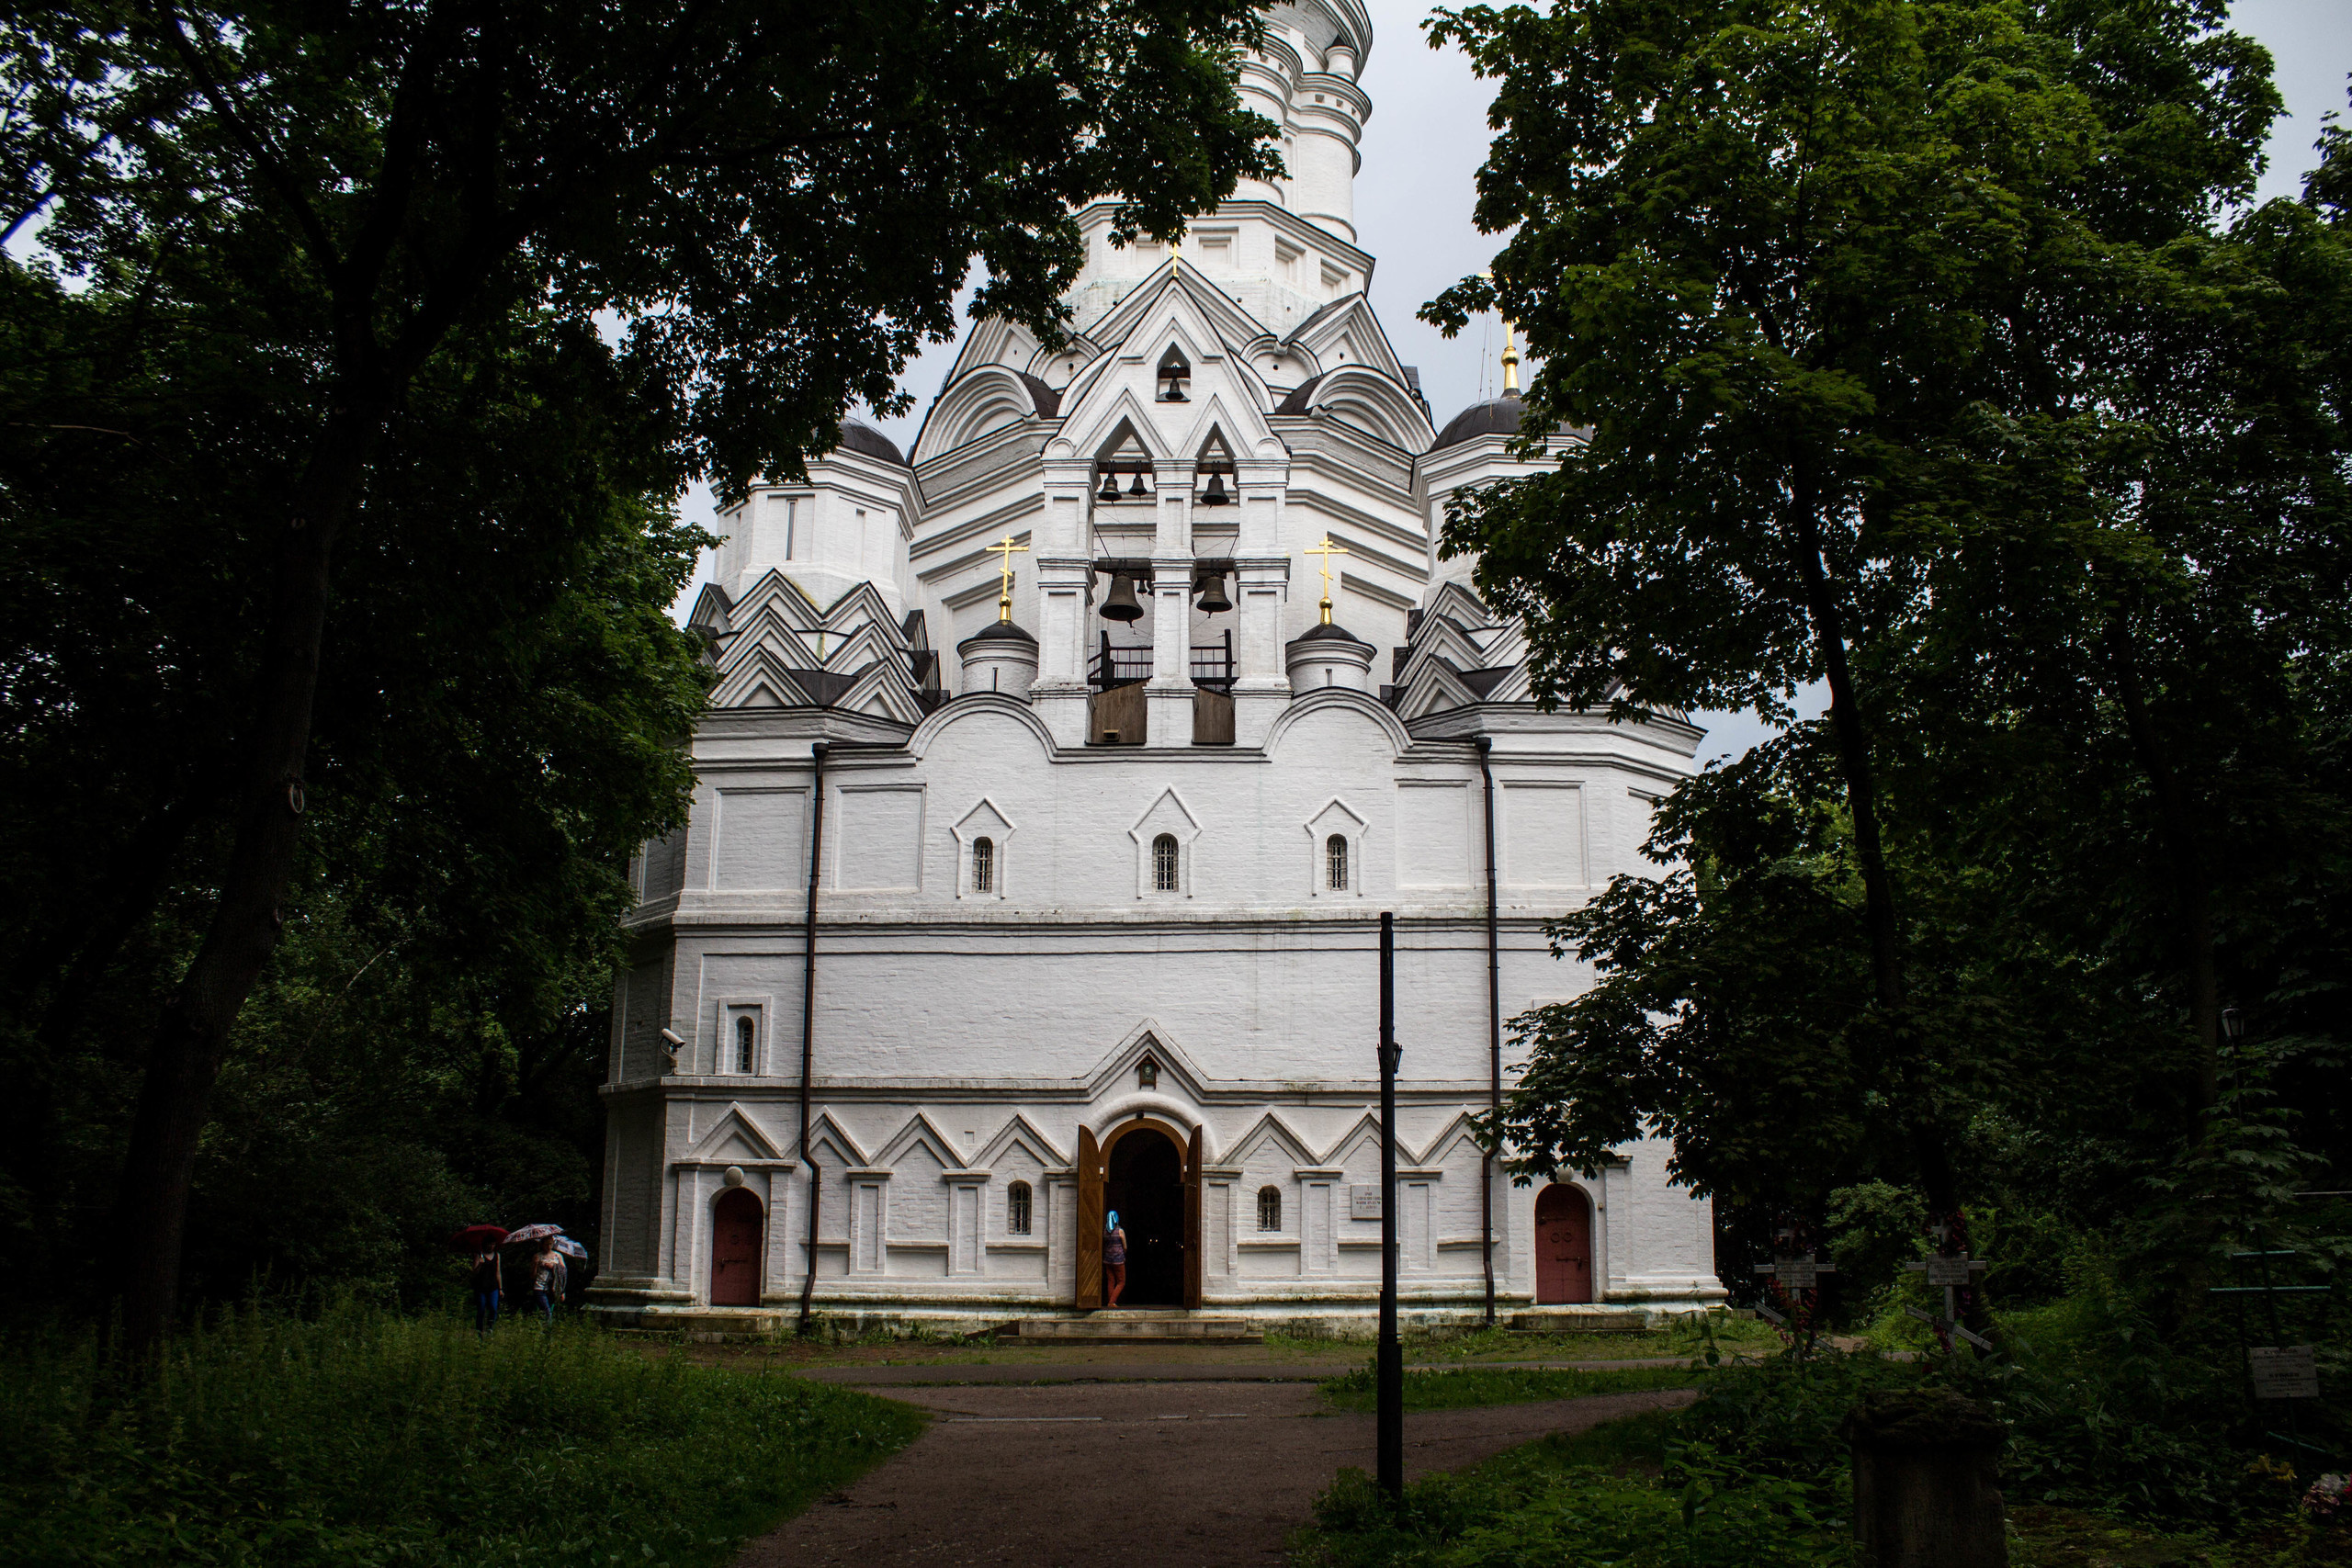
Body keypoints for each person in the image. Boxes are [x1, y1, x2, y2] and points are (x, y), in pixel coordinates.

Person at [470, 1245, 502, 1333]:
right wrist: (480, 1264)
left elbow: (498, 1272)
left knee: (493, 1307)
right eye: (489, 1244)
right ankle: (479, 1330)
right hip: (481, 1286)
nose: (491, 1246)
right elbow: (474, 1271)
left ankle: (490, 1327)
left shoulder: (497, 1255)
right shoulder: (479, 1254)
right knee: (481, 1308)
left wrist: (500, 1288)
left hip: (493, 1286)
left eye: (493, 1244)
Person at [531, 1239, 562, 1325]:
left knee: (549, 1310)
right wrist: (535, 1264)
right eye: (546, 1244)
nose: (548, 1246)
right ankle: (548, 1329)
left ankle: (542, 1328)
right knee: (546, 1311)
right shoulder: (537, 1256)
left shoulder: (558, 1256)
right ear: (542, 1245)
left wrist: (553, 1267)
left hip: (552, 1287)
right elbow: (532, 1275)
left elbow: (563, 1273)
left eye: (550, 1244)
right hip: (539, 1286)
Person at [1102, 1209, 1127, 1308]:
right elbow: (1125, 1247)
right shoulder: (1120, 1231)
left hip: (1107, 1259)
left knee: (1111, 1281)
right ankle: (1112, 1302)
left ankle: (1110, 1302)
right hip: (1118, 1260)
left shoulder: (1105, 1231)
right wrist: (1123, 1254)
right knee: (1121, 1282)